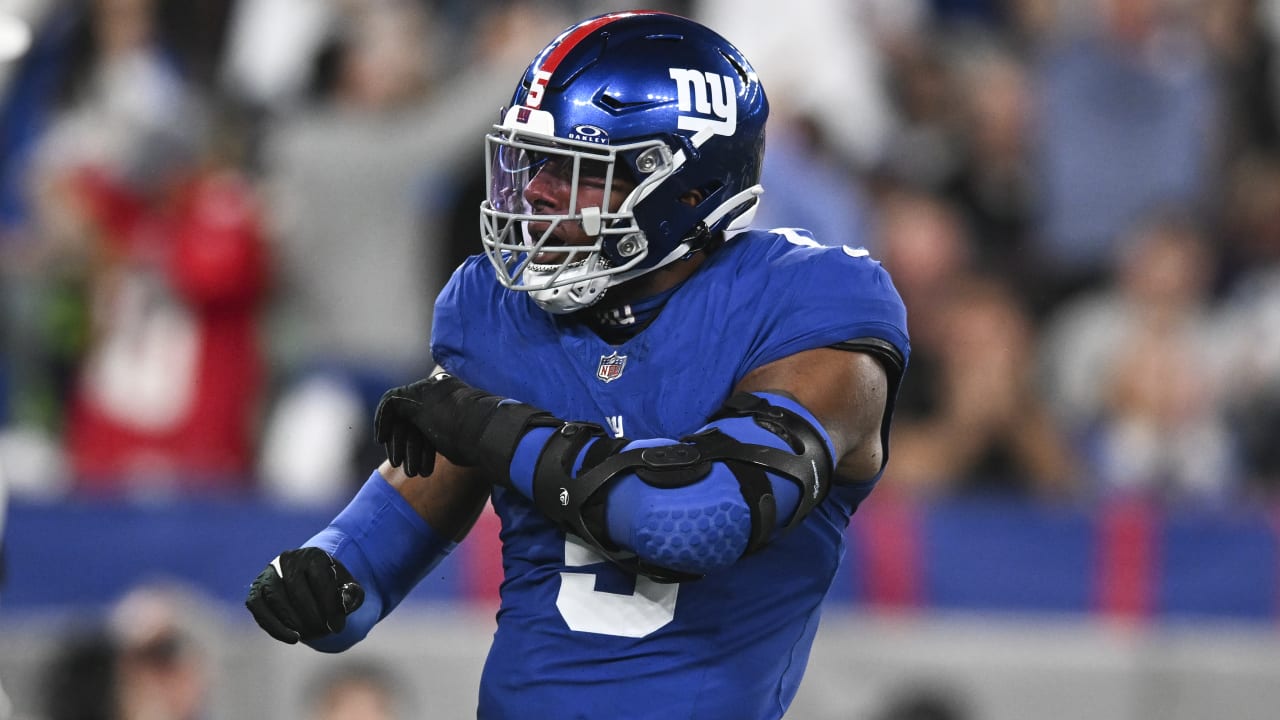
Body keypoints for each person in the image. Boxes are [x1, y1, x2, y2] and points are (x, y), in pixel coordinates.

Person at [245, 11, 909, 720]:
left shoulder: (813, 302)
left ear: (685, 190)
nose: (535, 191)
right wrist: (329, 572)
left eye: (574, 170)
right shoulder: (497, 308)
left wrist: (491, 427)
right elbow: (378, 557)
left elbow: (694, 519)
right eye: (534, 161)